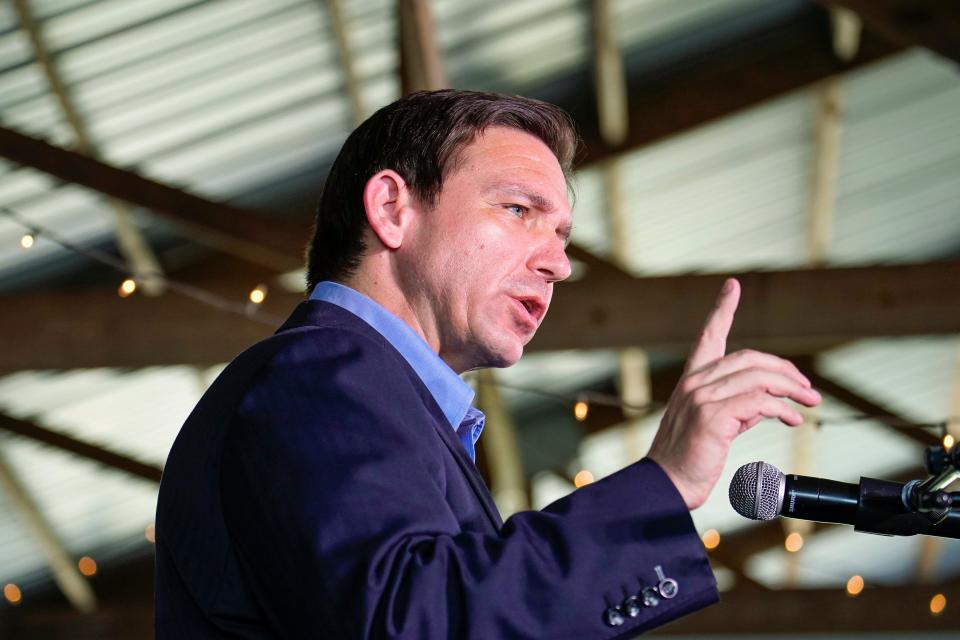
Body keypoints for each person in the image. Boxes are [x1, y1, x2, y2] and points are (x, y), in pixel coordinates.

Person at [155, 90, 821, 638]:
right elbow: (414, 623)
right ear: (392, 208)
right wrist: (664, 484)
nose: (558, 262)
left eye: (560, 234)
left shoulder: (378, 395)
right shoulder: (322, 371)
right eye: (518, 210)